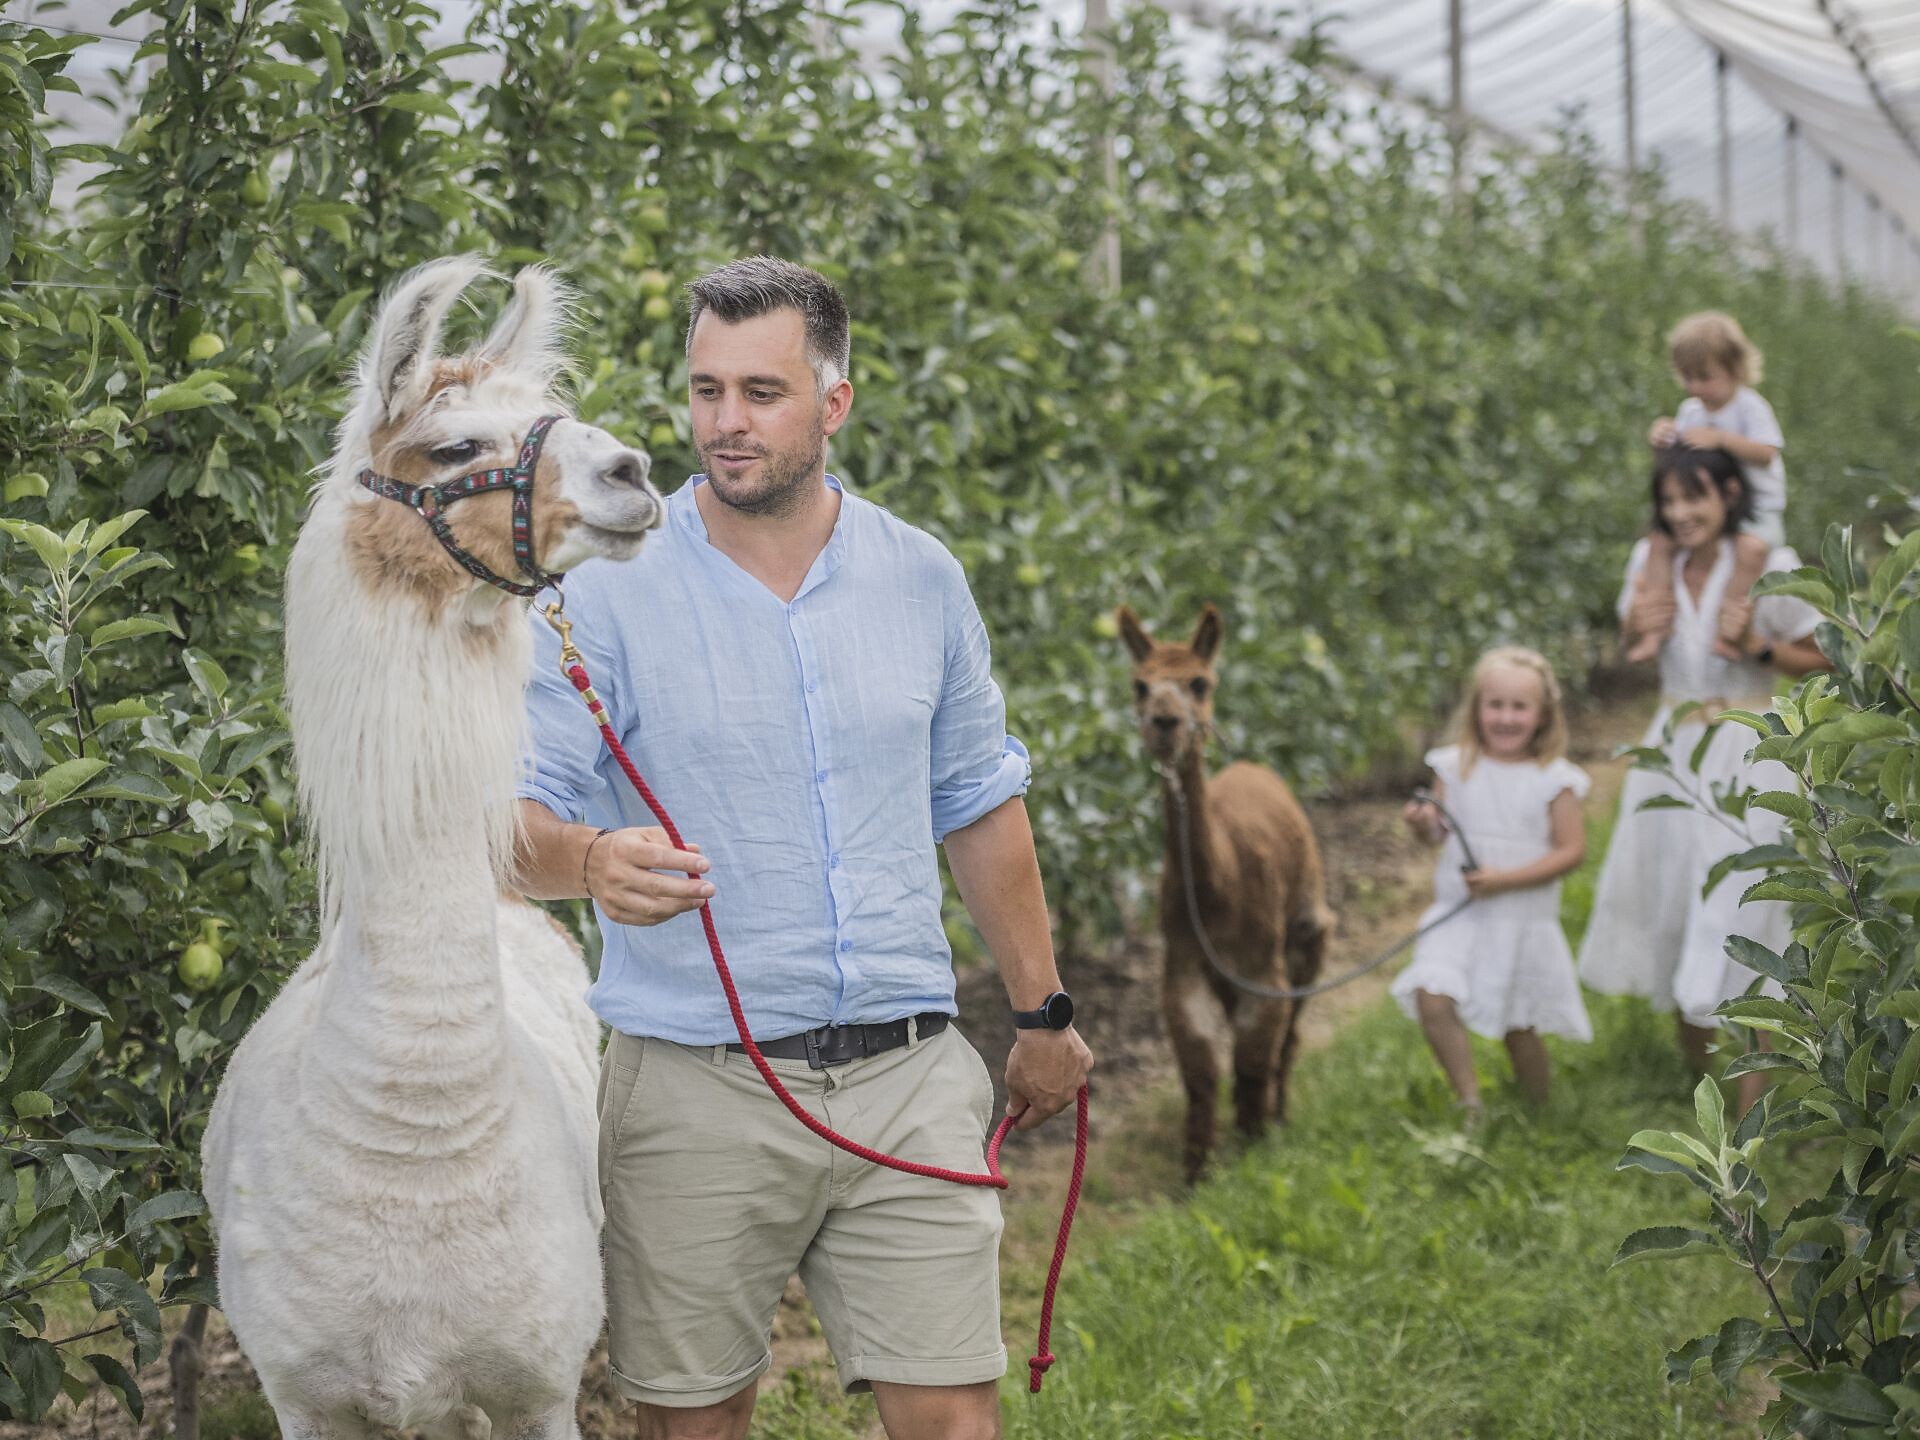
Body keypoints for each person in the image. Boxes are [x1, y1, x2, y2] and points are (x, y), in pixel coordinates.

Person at [513, 257, 1093, 1440]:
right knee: (693, 1425)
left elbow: (978, 803)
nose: (727, 423)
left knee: (954, 1426)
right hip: (693, 1085)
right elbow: (504, 816)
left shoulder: (921, 576)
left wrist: (1042, 1013)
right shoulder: (601, 591)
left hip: (907, 1071)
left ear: (833, 402)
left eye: (762, 393)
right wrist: (587, 862)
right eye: (707, 389)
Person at [1579, 445, 1828, 1114]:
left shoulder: (1773, 567)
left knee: (1739, 908)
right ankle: (1701, 1078)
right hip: (1673, 746)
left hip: (1746, 748)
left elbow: (1831, 659)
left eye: (1696, 498)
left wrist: (1760, 649)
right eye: (1669, 501)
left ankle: (1750, 1105)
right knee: (1672, 898)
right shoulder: (1652, 565)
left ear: (1728, 495)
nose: (1681, 513)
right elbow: (1638, 636)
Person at [1395, 648, 1592, 1121]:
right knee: (1432, 994)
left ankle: (1540, 1111)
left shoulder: (1553, 779)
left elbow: (1572, 851)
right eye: (1495, 705)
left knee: (1517, 1025)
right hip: (1460, 912)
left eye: (1519, 707)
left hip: (1520, 920)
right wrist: (1422, 824)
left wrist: (1505, 880)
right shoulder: (1454, 767)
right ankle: (1471, 1103)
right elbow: (1438, 834)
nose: (1505, 717)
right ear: (1476, 708)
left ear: (1543, 715)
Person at [1631, 311, 1786, 663]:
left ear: (1736, 369)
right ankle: (1654, 630)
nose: (1695, 387)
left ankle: (1730, 632)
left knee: (1750, 552)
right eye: (1687, 377)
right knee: (1658, 544)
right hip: (1711, 510)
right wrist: (1662, 436)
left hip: (1759, 507)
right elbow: (1679, 461)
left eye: (1704, 377)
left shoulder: (1750, 407)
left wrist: (1721, 439)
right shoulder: (1691, 410)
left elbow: (1767, 453)